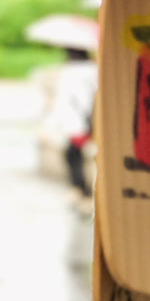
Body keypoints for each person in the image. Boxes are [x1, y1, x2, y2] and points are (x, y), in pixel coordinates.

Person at [40, 47, 97, 204]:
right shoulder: (94, 69)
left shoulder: (70, 72)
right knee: (75, 153)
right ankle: (81, 189)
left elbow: (63, 101)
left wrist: (50, 123)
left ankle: (81, 189)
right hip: (90, 119)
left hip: (78, 121)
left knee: (73, 154)